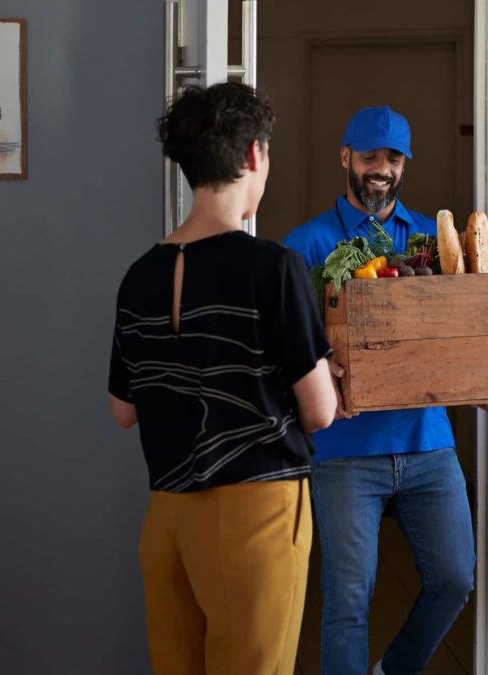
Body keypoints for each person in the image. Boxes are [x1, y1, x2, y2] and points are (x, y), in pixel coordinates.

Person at [107, 82, 337, 675]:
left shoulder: (139, 276)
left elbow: (123, 409)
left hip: (166, 520)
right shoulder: (274, 266)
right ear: (255, 154)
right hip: (255, 515)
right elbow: (319, 412)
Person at [283, 106, 476, 675]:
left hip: (428, 443)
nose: (381, 170)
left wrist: (477, 375)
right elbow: (286, 346)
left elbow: (457, 333)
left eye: (393, 159)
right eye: (370, 157)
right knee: (347, 602)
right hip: (344, 450)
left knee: (455, 578)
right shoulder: (308, 243)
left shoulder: (430, 242)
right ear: (345, 157)